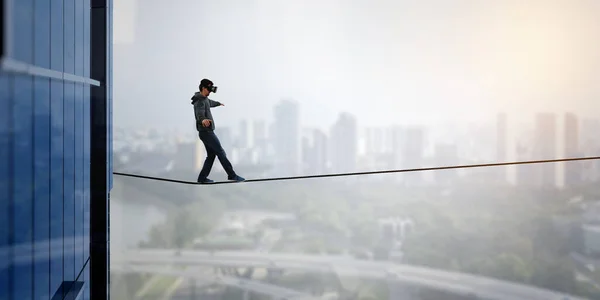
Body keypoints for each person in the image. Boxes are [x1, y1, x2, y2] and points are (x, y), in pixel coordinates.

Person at [192, 79, 245, 183]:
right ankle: (232, 175)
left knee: (211, 156)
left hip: (206, 133)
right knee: (221, 152)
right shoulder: (199, 101)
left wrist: (218, 103)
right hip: (207, 133)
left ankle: (202, 178)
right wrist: (203, 120)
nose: (210, 92)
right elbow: (199, 114)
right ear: (203, 88)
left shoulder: (204, 99)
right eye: (208, 90)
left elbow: (210, 103)